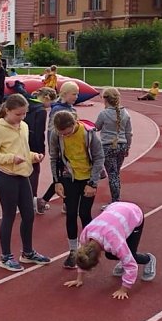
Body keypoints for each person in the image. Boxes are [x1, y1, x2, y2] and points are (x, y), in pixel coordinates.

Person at [0, 94, 51, 271]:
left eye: (24, 114)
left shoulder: (23, 126)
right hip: (6, 176)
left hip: (23, 175)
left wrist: (33, 156)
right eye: (18, 114)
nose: (21, 118)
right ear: (7, 111)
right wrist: (10, 158)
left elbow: (23, 150)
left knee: (29, 215)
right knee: (9, 215)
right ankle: (5, 257)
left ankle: (28, 253)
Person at [64, 202, 156, 300]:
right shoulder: (86, 234)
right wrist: (79, 279)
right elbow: (82, 255)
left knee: (130, 256)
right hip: (115, 208)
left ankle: (149, 259)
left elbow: (131, 265)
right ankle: (123, 258)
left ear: (99, 257)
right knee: (111, 254)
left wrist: (123, 289)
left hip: (133, 213)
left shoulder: (115, 243)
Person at [49, 110, 105, 269]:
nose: (65, 136)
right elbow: (54, 157)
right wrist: (56, 182)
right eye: (62, 134)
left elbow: (99, 157)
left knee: (85, 213)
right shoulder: (56, 135)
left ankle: (89, 248)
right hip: (69, 178)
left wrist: (93, 183)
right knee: (71, 213)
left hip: (87, 177)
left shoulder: (88, 133)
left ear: (74, 123)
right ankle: (73, 251)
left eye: (67, 133)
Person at [36, 81, 79, 213]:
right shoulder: (58, 110)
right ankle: (47, 201)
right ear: (65, 94)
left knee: (66, 176)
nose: (76, 97)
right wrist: (54, 149)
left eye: (77, 94)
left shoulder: (71, 109)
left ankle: (48, 201)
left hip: (71, 149)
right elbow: (52, 132)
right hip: (61, 149)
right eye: (74, 94)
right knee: (64, 176)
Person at [94, 88, 132, 203]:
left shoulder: (104, 114)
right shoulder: (125, 113)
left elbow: (96, 127)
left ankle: (115, 201)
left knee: (112, 174)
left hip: (108, 146)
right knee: (116, 173)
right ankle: (117, 197)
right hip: (122, 145)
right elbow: (128, 133)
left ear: (106, 99)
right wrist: (128, 147)